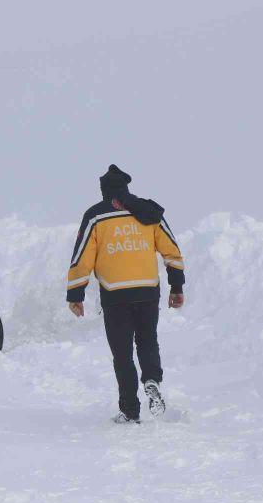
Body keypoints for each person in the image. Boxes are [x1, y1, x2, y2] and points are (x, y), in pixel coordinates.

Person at [67, 164, 185, 424]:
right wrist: (176, 285)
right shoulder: (148, 212)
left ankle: (130, 411)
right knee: (147, 341)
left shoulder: (96, 216)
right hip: (147, 291)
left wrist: (75, 294)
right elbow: (171, 250)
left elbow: (82, 257)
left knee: (122, 354)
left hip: (115, 294)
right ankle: (152, 379)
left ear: (104, 192)